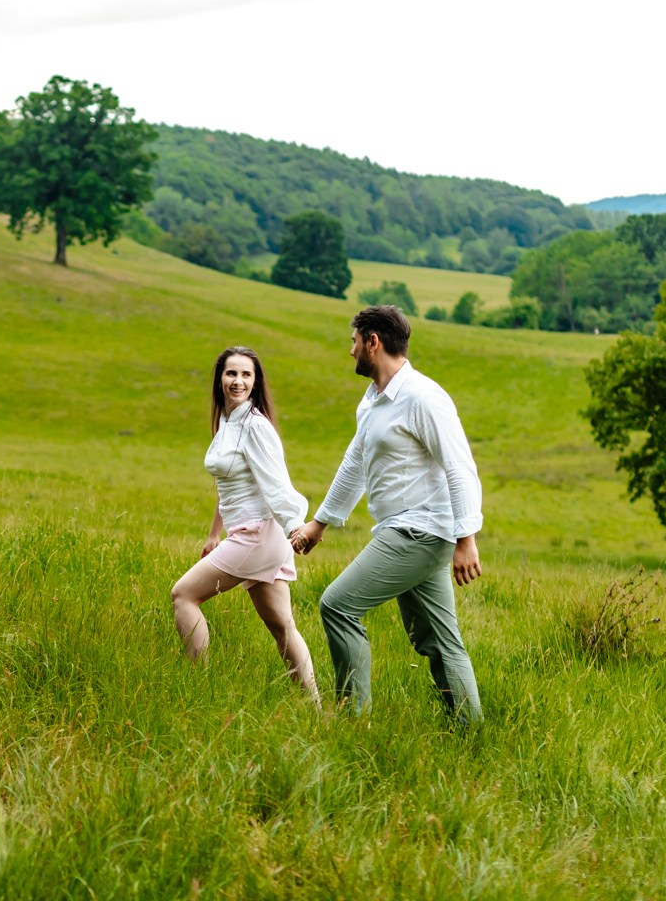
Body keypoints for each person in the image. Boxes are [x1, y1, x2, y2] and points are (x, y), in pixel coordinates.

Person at [290, 306, 484, 720]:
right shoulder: (374, 400)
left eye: (354, 341)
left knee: (338, 605)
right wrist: (320, 524)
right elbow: (354, 463)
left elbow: (459, 467)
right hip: (406, 529)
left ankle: (351, 717)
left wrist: (466, 538)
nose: (351, 350)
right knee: (438, 640)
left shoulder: (423, 398)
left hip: (420, 531)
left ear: (373, 342)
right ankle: (470, 730)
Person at [169, 346, 319, 701]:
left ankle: (197, 689)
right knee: (282, 626)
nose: (238, 381)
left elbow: (276, 484)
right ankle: (315, 710)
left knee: (183, 595)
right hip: (254, 534)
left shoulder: (255, 426)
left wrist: (296, 527)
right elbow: (228, 487)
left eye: (246, 375)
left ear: (255, 382)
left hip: (258, 535)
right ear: (220, 379)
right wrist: (214, 535)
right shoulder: (228, 421)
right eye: (231, 373)